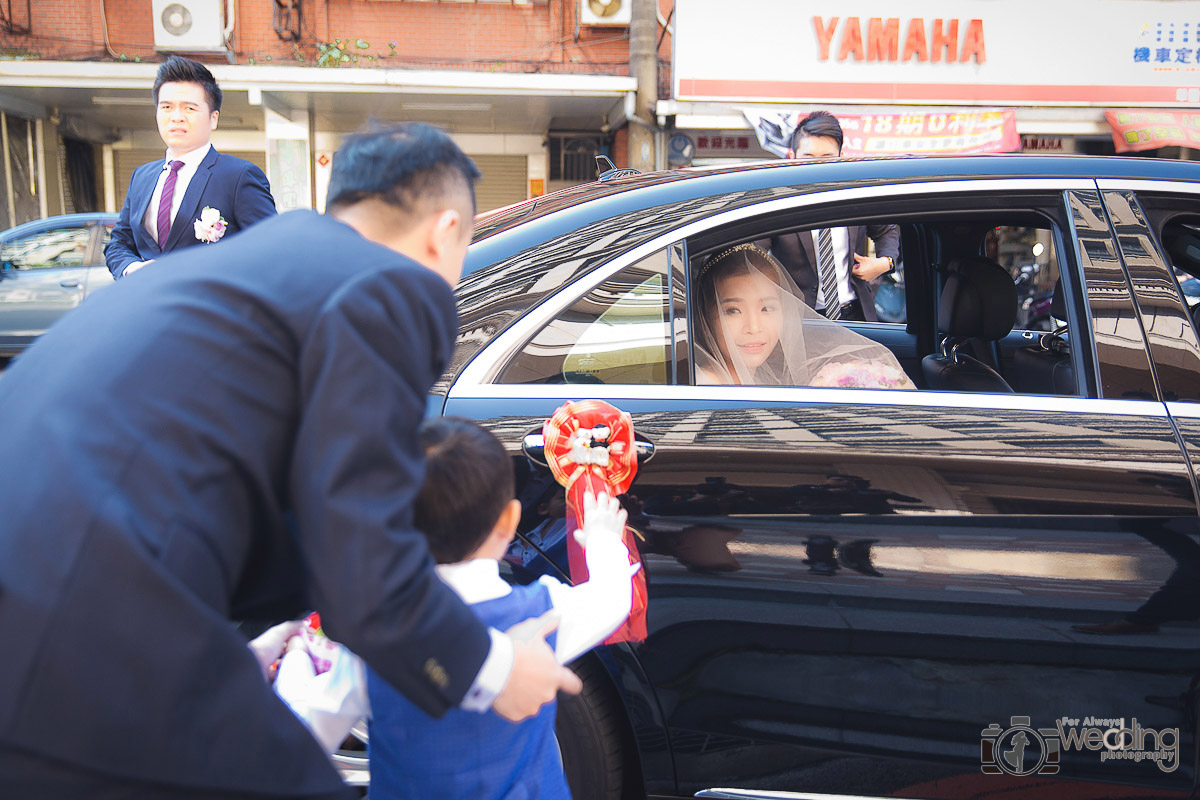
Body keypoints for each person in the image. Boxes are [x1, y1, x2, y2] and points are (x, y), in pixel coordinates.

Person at [0, 122, 581, 799]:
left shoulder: (257, 266)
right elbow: (364, 555)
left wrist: (290, 619)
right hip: (86, 627)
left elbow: (275, 492)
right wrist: (493, 665)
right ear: (444, 229)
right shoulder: (387, 290)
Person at [367, 417, 638, 799]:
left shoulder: (368, 635)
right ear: (510, 520)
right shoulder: (542, 612)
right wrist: (601, 536)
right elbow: (612, 598)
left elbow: (309, 717)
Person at [105, 55, 277, 279]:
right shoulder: (142, 176)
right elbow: (119, 243)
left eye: (190, 108)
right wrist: (131, 268)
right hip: (148, 306)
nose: (176, 117)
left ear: (213, 118)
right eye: (167, 107)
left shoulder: (239, 177)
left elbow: (271, 250)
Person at [694, 242, 915, 389]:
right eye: (733, 311)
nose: (753, 327)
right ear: (706, 316)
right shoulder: (706, 389)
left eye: (767, 309)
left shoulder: (755, 378)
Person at [762, 110, 900, 321]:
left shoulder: (854, 196)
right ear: (792, 157)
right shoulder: (779, 203)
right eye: (808, 158)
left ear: (840, 158)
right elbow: (752, 254)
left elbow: (886, 229)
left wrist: (884, 263)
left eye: (827, 158)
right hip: (799, 320)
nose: (817, 167)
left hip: (854, 314)